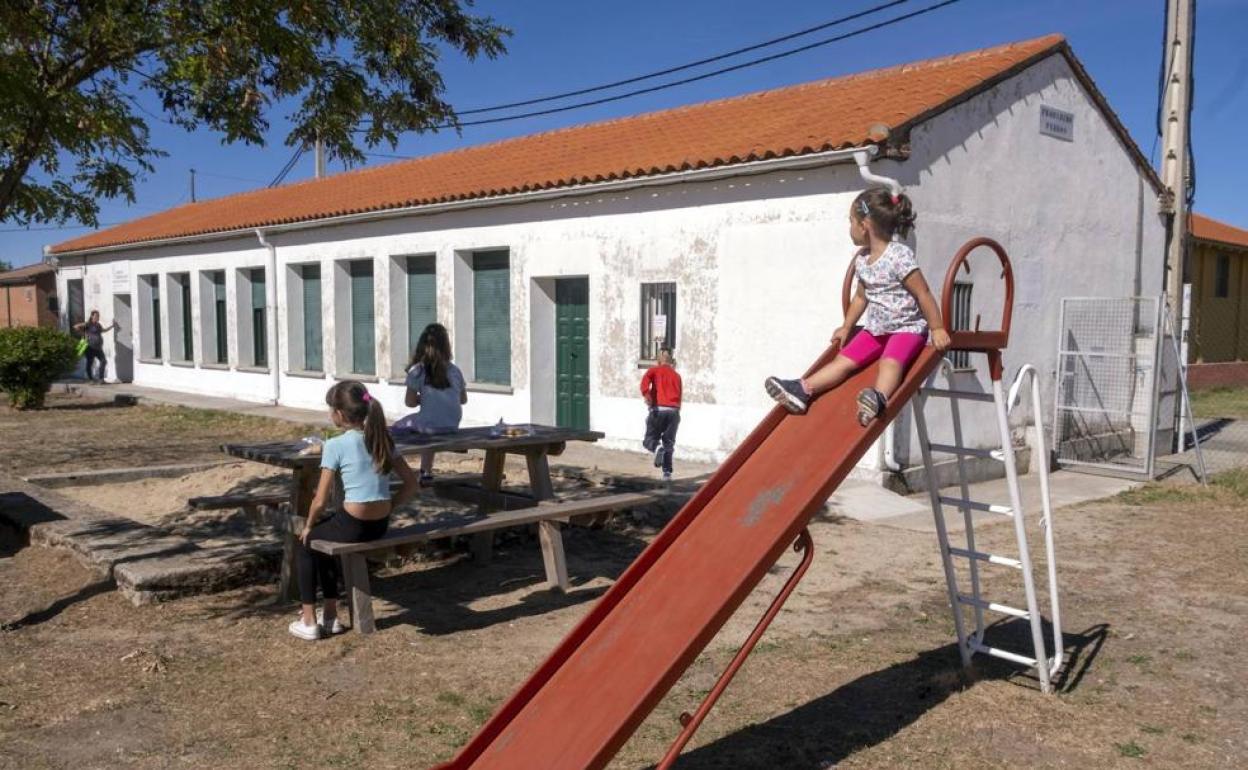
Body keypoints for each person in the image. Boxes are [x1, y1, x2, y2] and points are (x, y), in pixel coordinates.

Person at [765, 188, 950, 426]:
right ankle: (803, 389)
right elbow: (861, 298)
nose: (849, 227)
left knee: (890, 362)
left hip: (906, 329)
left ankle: (878, 397)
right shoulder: (862, 260)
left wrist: (936, 328)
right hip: (875, 330)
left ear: (864, 226)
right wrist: (846, 326)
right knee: (842, 361)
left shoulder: (898, 255)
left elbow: (922, 292)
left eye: (851, 221)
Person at [290, 380, 419, 640]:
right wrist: (390, 506)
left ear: (339, 413)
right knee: (323, 541)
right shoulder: (382, 439)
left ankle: (309, 620)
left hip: (353, 525)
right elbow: (411, 483)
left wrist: (308, 526)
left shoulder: (335, 445)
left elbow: (320, 499)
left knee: (306, 544)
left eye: (330, 410)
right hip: (379, 525)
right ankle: (330, 616)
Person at [403, 323, 467, 485]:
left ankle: (403, 469)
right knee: (428, 421)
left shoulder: (418, 371)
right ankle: (426, 471)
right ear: (447, 346)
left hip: (429, 427)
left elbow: (409, 402)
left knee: (399, 427)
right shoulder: (455, 370)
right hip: (452, 425)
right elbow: (463, 400)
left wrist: (422, 399)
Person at [640, 347, 682, 482]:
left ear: (658, 359)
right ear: (671, 360)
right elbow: (679, 396)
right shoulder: (677, 376)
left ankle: (657, 448)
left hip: (658, 410)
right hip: (674, 412)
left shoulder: (654, 370)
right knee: (669, 443)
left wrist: (647, 396)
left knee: (649, 440)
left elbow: (644, 383)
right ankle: (667, 474)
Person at [73, 310, 117, 384]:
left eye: (98, 316)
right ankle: (90, 379)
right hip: (90, 348)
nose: (97, 317)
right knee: (90, 363)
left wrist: (112, 326)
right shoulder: (88, 324)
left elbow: (103, 330)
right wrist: (83, 334)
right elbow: (75, 326)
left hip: (98, 348)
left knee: (103, 361)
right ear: (92, 316)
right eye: (96, 316)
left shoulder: (98, 325)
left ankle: (101, 379)